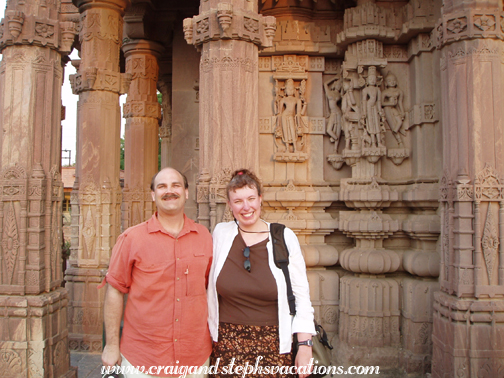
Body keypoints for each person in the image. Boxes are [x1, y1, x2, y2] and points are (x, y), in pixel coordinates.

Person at [101, 167, 213, 378]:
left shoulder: (204, 237)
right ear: (153, 195)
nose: (169, 191)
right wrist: (111, 345)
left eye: (175, 185)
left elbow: (208, 289)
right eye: (162, 186)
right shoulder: (132, 239)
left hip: (194, 359)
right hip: (144, 359)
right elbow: (115, 290)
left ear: (186, 192)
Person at [207, 169, 316, 378]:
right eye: (238, 201)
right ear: (229, 205)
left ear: (260, 199)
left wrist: (304, 346)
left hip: (273, 345)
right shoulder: (221, 234)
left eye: (250, 198)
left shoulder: (283, 237)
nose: (246, 207)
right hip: (226, 345)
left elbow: (302, 296)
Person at [361, 66, 385, 148]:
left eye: (374, 79)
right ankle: (373, 143)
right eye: (370, 79)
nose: (372, 80)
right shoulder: (365, 90)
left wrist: (380, 111)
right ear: (367, 80)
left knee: (377, 125)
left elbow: (378, 101)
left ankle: (379, 142)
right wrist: (364, 112)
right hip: (368, 107)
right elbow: (364, 101)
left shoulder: (377, 90)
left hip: (375, 108)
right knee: (370, 125)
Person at [324, 76, 343, 151]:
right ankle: (335, 137)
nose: (339, 86)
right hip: (332, 112)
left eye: (340, 85)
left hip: (338, 112)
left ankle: (335, 149)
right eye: (338, 84)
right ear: (334, 84)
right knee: (329, 130)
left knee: (338, 129)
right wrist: (334, 78)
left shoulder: (339, 95)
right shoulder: (329, 92)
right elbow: (325, 84)